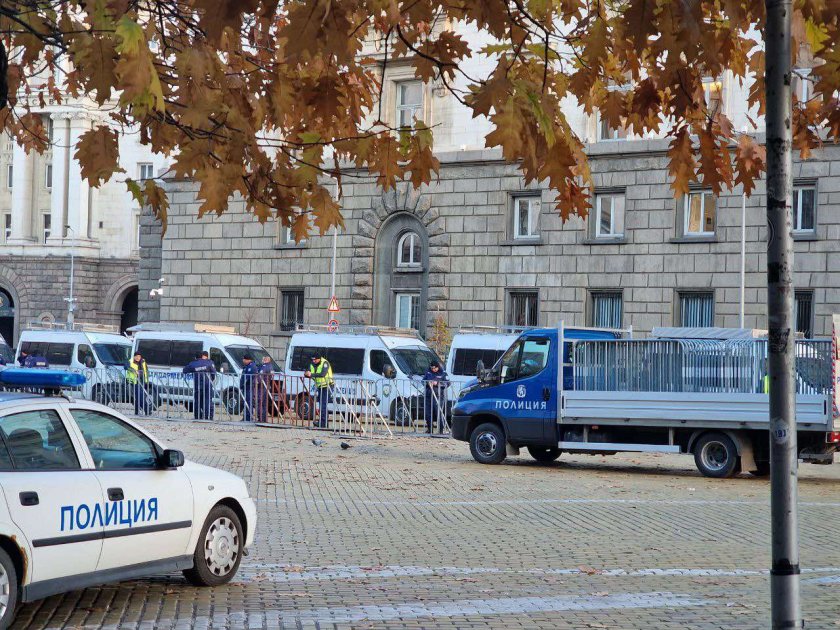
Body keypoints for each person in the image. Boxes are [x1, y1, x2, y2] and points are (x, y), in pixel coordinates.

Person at [183, 351, 217, 420]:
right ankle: (208, 417)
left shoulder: (193, 364)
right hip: (207, 384)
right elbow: (214, 373)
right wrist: (211, 381)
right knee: (208, 401)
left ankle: (198, 416)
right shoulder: (209, 362)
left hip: (198, 385)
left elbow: (184, 370)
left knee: (197, 401)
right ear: (202, 356)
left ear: (195, 357)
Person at [304, 354, 333, 428]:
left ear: (319, 359)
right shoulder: (312, 363)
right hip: (320, 386)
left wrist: (311, 374)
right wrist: (306, 373)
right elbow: (307, 372)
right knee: (322, 405)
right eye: (313, 360)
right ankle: (324, 423)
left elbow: (323, 374)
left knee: (323, 405)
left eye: (315, 360)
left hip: (327, 386)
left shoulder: (325, 363)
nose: (314, 361)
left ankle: (323, 423)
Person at [423, 361, 449, 433]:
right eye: (432, 368)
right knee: (428, 413)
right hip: (428, 395)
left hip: (438, 396)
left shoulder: (443, 373)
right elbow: (423, 381)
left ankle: (440, 430)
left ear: (438, 367)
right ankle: (429, 429)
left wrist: (438, 383)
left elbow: (447, 383)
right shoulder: (428, 372)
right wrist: (427, 383)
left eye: (435, 368)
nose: (433, 369)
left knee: (438, 413)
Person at [255, 356, 274, 423]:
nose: (262, 360)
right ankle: (265, 418)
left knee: (260, 402)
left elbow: (260, 375)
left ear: (265, 360)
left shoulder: (264, 366)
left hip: (262, 386)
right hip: (267, 386)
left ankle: (260, 417)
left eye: (263, 359)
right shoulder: (271, 366)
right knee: (265, 403)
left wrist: (257, 382)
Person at [240, 354, 258, 422]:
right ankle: (245, 417)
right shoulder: (247, 366)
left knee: (248, 402)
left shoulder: (252, 366)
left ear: (247, 359)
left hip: (249, 387)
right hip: (246, 387)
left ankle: (248, 418)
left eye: (244, 359)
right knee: (245, 403)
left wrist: (243, 384)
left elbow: (247, 378)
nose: (243, 360)